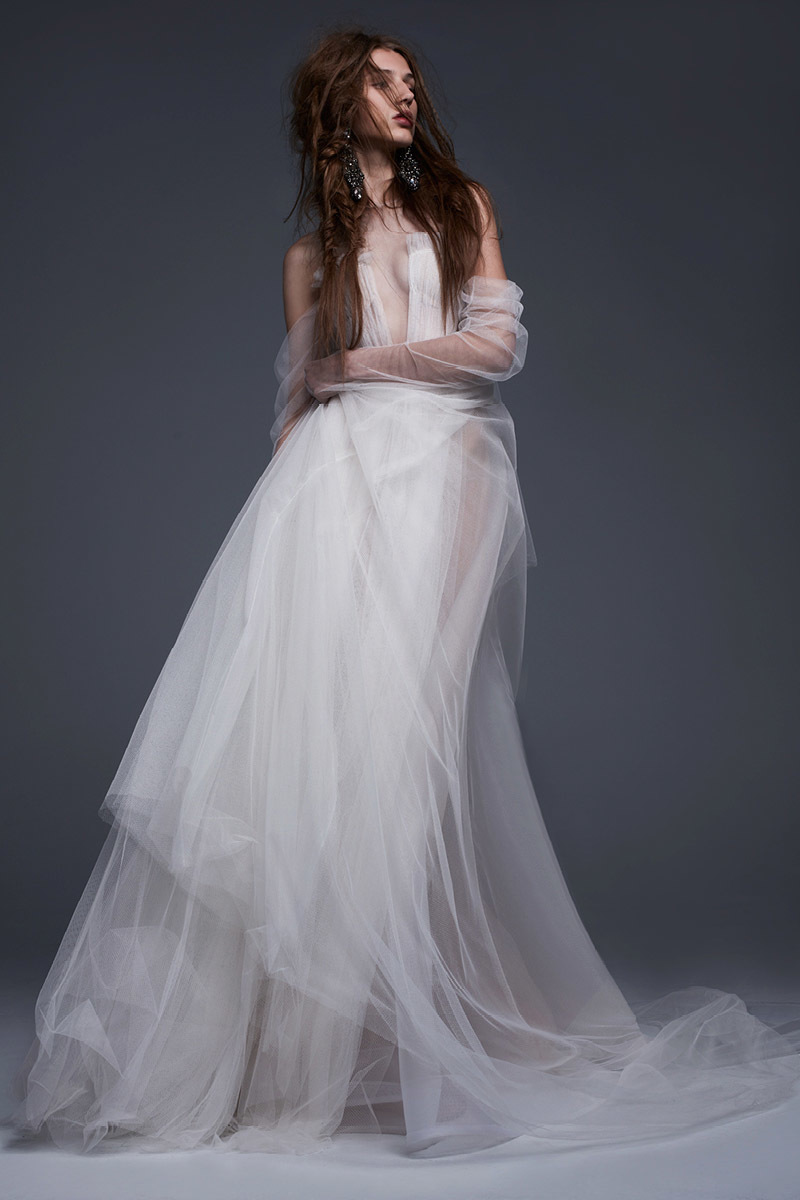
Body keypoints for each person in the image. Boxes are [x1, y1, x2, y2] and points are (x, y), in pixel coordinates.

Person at [10, 27, 800, 1161]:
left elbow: (494, 351)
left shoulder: (461, 207)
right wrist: (265, 555)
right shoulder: (308, 258)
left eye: (410, 80)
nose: (404, 94)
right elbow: (297, 411)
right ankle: (322, 1057)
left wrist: (358, 368)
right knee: (313, 758)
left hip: (449, 480)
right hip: (328, 502)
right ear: (337, 106)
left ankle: (443, 1069)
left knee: (411, 750)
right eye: (381, 81)